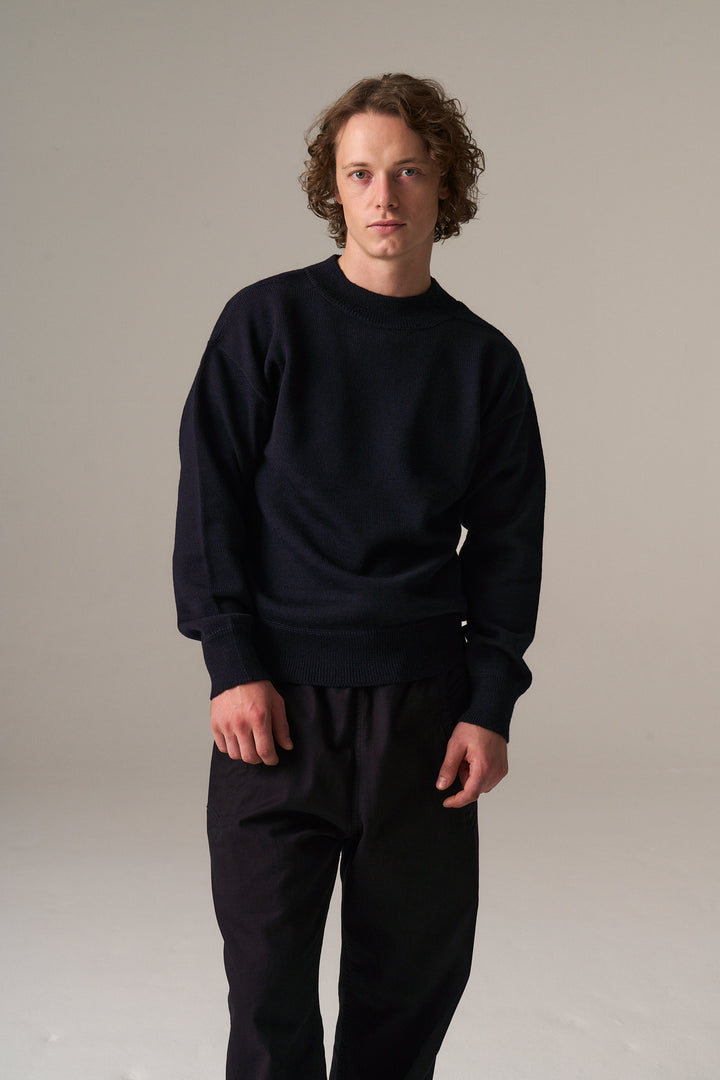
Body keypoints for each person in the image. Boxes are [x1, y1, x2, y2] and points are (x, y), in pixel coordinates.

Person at [173, 73, 545, 1080]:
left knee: (406, 1001)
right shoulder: (264, 325)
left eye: (410, 171)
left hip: (423, 720)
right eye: (361, 173)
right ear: (332, 187)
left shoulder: (482, 363)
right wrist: (231, 663)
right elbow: (211, 504)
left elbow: (509, 548)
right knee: (268, 1000)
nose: (384, 196)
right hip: (275, 713)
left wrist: (489, 705)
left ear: (445, 187)